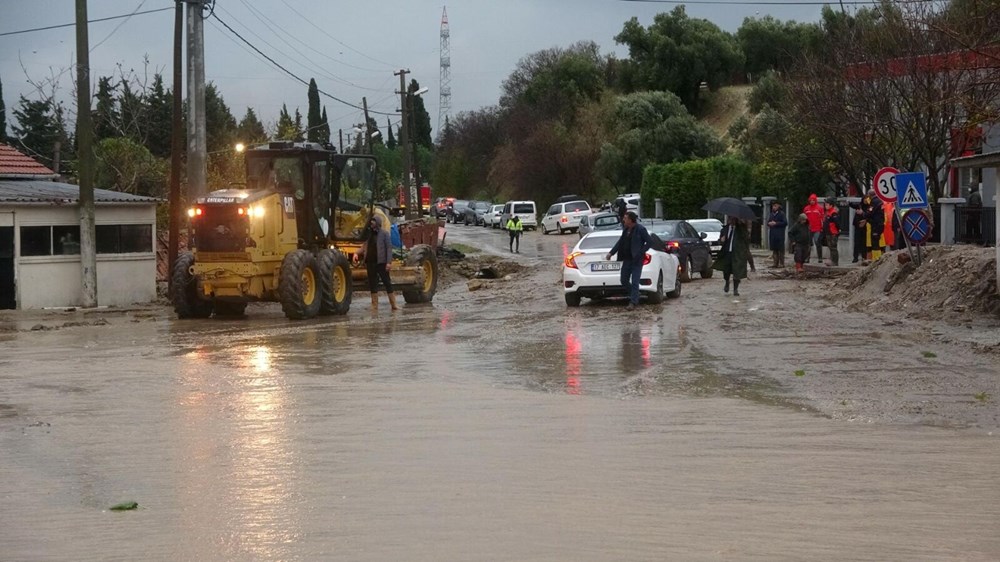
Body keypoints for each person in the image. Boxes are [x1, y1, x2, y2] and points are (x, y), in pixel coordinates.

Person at [605, 211, 653, 308]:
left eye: (625, 218)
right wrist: (611, 253)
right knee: (623, 280)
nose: (623, 220)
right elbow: (620, 242)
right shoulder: (626, 229)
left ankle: (633, 302)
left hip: (637, 260)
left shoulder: (641, 229)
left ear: (630, 220)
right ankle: (635, 294)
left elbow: (649, 242)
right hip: (627, 259)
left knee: (635, 281)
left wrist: (641, 252)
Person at [356, 215, 397, 311]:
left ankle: (393, 304)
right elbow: (364, 246)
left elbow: (389, 248)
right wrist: (356, 253)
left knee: (387, 282)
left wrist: (388, 262)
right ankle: (374, 305)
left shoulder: (384, 234)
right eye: (371, 221)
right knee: (373, 283)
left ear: (378, 223)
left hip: (381, 262)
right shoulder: (369, 234)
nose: (371, 223)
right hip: (370, 262)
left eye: (373, 221)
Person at [713, 216, 755, 296]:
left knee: (737, 272)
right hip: (727, 253)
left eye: (732, 219)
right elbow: (720, 241)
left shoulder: (741, 229)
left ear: (736, 220)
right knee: (726, 271)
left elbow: (747, 238)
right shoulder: (724, 229)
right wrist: (721, 240)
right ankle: (727, 282)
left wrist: (742, 225)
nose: (731, 221)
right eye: (729, 219)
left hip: (738, 254)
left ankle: (735, 289)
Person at [803, 193, 825, 263]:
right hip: (808, 228)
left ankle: (820, 258)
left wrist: (822, 227)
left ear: (815, 200)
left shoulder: (819, 208)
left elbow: (822, 219)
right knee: (808, 244)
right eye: (811, 200)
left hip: (817, 228)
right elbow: (804, 218)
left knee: (817, 242)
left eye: (813, 200)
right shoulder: (806, 208)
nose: (812, 201)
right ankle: (807, 258)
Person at [766, 201, 787, 268]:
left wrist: (776, 223)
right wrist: (769, 223)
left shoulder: (782, 214)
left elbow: (785, 223)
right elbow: (768, 222)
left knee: (780, 249)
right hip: (773, 234)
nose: (774, 207)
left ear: (778, 206)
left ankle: (782, 263)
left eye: (775, 206)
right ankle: (775, 263)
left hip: (780, 234)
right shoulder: (771, 214)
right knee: (774, 249)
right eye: (773, 206)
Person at [823, 197, 840, 266]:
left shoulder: (833, 213)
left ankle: (835, 262)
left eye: (827, 204)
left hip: (833, 233)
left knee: (833, 247)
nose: (825, 206)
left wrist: (838, 230)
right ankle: (832, 260)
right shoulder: (827, 212)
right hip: (828, 232)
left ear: (831, 205)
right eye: (825, 204)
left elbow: (837, 223)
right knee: (830, 247)